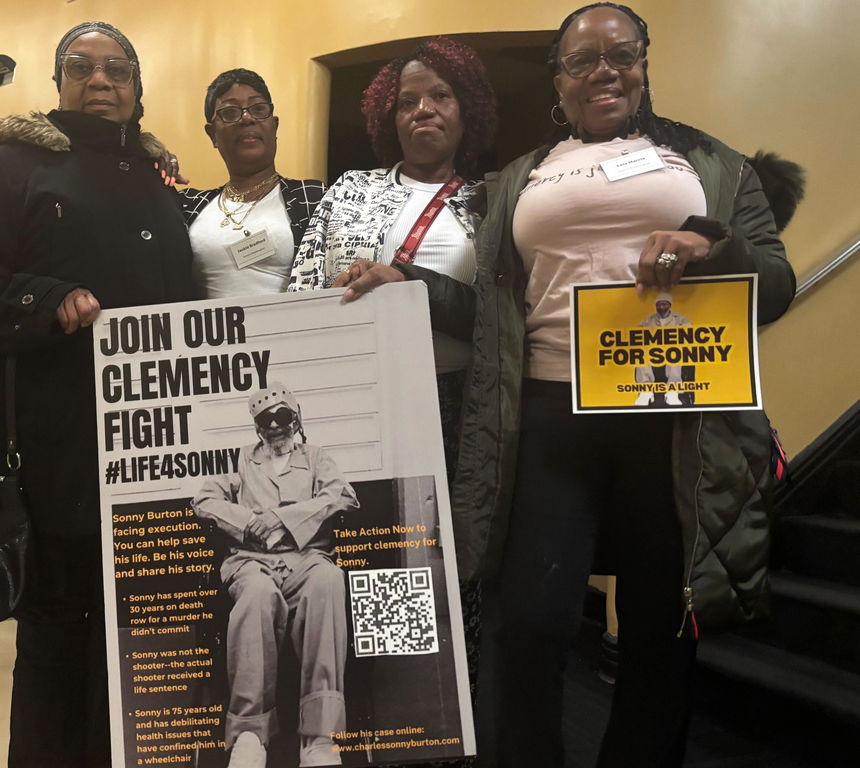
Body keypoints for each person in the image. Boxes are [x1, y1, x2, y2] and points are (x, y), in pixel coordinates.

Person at [431, 5, 799, 767]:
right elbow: (495, 307)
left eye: (621, 55)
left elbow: (778, 285)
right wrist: (404, 282)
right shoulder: (517, 177)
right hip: (545, 410)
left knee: (663, 624)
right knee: (529, 620)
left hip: (673, 413)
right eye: (583, 61)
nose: (604, 70)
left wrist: (712, 242)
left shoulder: (712, 163)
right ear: (558, 80)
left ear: (644, 63)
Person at [0, 21, 194, 767]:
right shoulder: (13, 164)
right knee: (60, 634)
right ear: (57, 84)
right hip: (58, 448)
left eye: (117, 70)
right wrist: (46, 300)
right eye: (81, 67)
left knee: (144, 638)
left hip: (162, 455)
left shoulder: (160, 178)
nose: (100, 81)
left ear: (138, 88)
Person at [288, 37, 496, 768]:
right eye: (407, 101)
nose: (424, 111)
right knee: (380, 568)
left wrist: (410, 285)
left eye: (439, 96)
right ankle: (390, 729)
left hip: (455, 411)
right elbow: (299, 297)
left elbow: (505, 321)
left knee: (450, 572)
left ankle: (446, 734)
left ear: (465, 108)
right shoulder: (349, 192)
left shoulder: (495, 200)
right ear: (387, 116)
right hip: (362, 409)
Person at [193, 382, 358, 768]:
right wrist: (249, 521)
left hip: (308, 559)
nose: (276, 427)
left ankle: (319, 735)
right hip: (253, 562)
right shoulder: (241, 461)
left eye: (283, 417)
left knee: (328, 582)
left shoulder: (316, 458)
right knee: (256, 597)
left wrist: (284, 520)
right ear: (256, 429)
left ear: (296, 419)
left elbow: (344, 495)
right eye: (267, 421)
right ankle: (250, 734)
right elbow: (203, 499)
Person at [178, 69, 326, 298]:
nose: (247, 118)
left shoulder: (315, 198)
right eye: (229, 112)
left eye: (258, 109)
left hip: (295, 330)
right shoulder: (187, 207)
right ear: (212, 134)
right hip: (214, 334)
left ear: (274, 126)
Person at [634, 291, 692, 406]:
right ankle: (646, 391)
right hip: (654, 351)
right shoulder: (648, 320)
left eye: (664, 304)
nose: (661, 307)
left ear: (669, 305)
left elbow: (689, 331)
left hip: (672, 350)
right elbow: (638, 333)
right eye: (658, 304)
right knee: (640, 353)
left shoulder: (679, 318)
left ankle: (672, 391)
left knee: (675, 351)